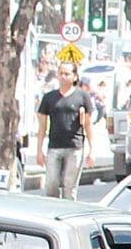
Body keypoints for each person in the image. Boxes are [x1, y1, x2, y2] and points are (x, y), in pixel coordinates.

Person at [36, 63, 94, 200]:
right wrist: (39, 150)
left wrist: (92, 150)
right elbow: (42, 126)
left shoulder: (82, 96)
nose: (63, 76)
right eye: (60, 73)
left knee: (70, 186)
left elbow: (88, 124)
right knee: (51, 184)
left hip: (75, 147)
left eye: (67, 74)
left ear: (74, 77)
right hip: (54, 147)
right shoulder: (49, 98)